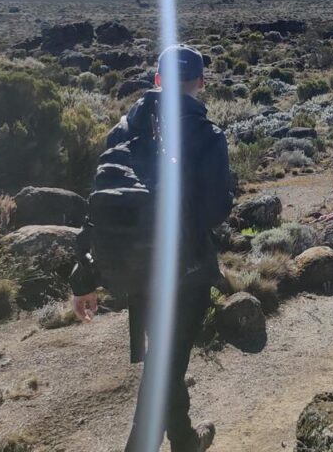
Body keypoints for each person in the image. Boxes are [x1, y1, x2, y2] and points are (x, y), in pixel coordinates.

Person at [71, 44, 233, 452]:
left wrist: (83, 276)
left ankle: (184, 439)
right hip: (187, 268)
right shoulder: (208, 135)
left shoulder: (123, 130)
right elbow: (216, 210)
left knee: (166, 359)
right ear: (200, 82)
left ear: (157, 80)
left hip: (136, 268)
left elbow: (101, 202)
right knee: (165, 367)